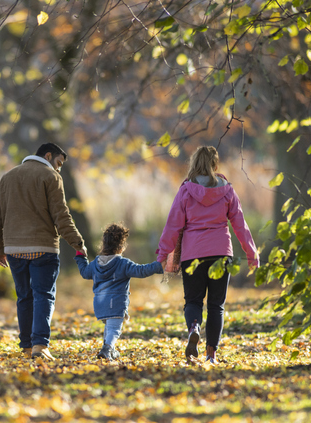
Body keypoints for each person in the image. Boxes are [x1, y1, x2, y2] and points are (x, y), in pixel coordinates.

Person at [157, 146, 259, 364]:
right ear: (215, 165)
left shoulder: (186, 190)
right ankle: (211, 355)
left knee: (193, 301)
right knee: (216, 305)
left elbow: (173, 226)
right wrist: (251, 252)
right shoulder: (227, 190)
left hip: (193, 255)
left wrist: (163, 254)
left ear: (195, 163)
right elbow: (240, 224)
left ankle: (194, 326)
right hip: (221, 253)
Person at [0, 142, 86, 360]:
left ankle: (26, 346)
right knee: (44, 295)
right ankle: (40, 346)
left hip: (14, 249)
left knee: (24, 296)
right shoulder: (51, 177)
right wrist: (78, 242)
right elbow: (61, 216)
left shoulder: (8, 177)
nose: (59, 168)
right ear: (48, 155)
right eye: (59, 163)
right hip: (43, 248)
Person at [75, 223, 164, 360]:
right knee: (114, 329)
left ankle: (111, 350)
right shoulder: (123, 264)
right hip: (116, 303)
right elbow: (142, 271)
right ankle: (107, 348)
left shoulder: (95, 263)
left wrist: (81, 257)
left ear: (103, 245)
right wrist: (159, 266)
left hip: (99, 303)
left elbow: (85, 273)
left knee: (109, 328)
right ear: (121, 248)